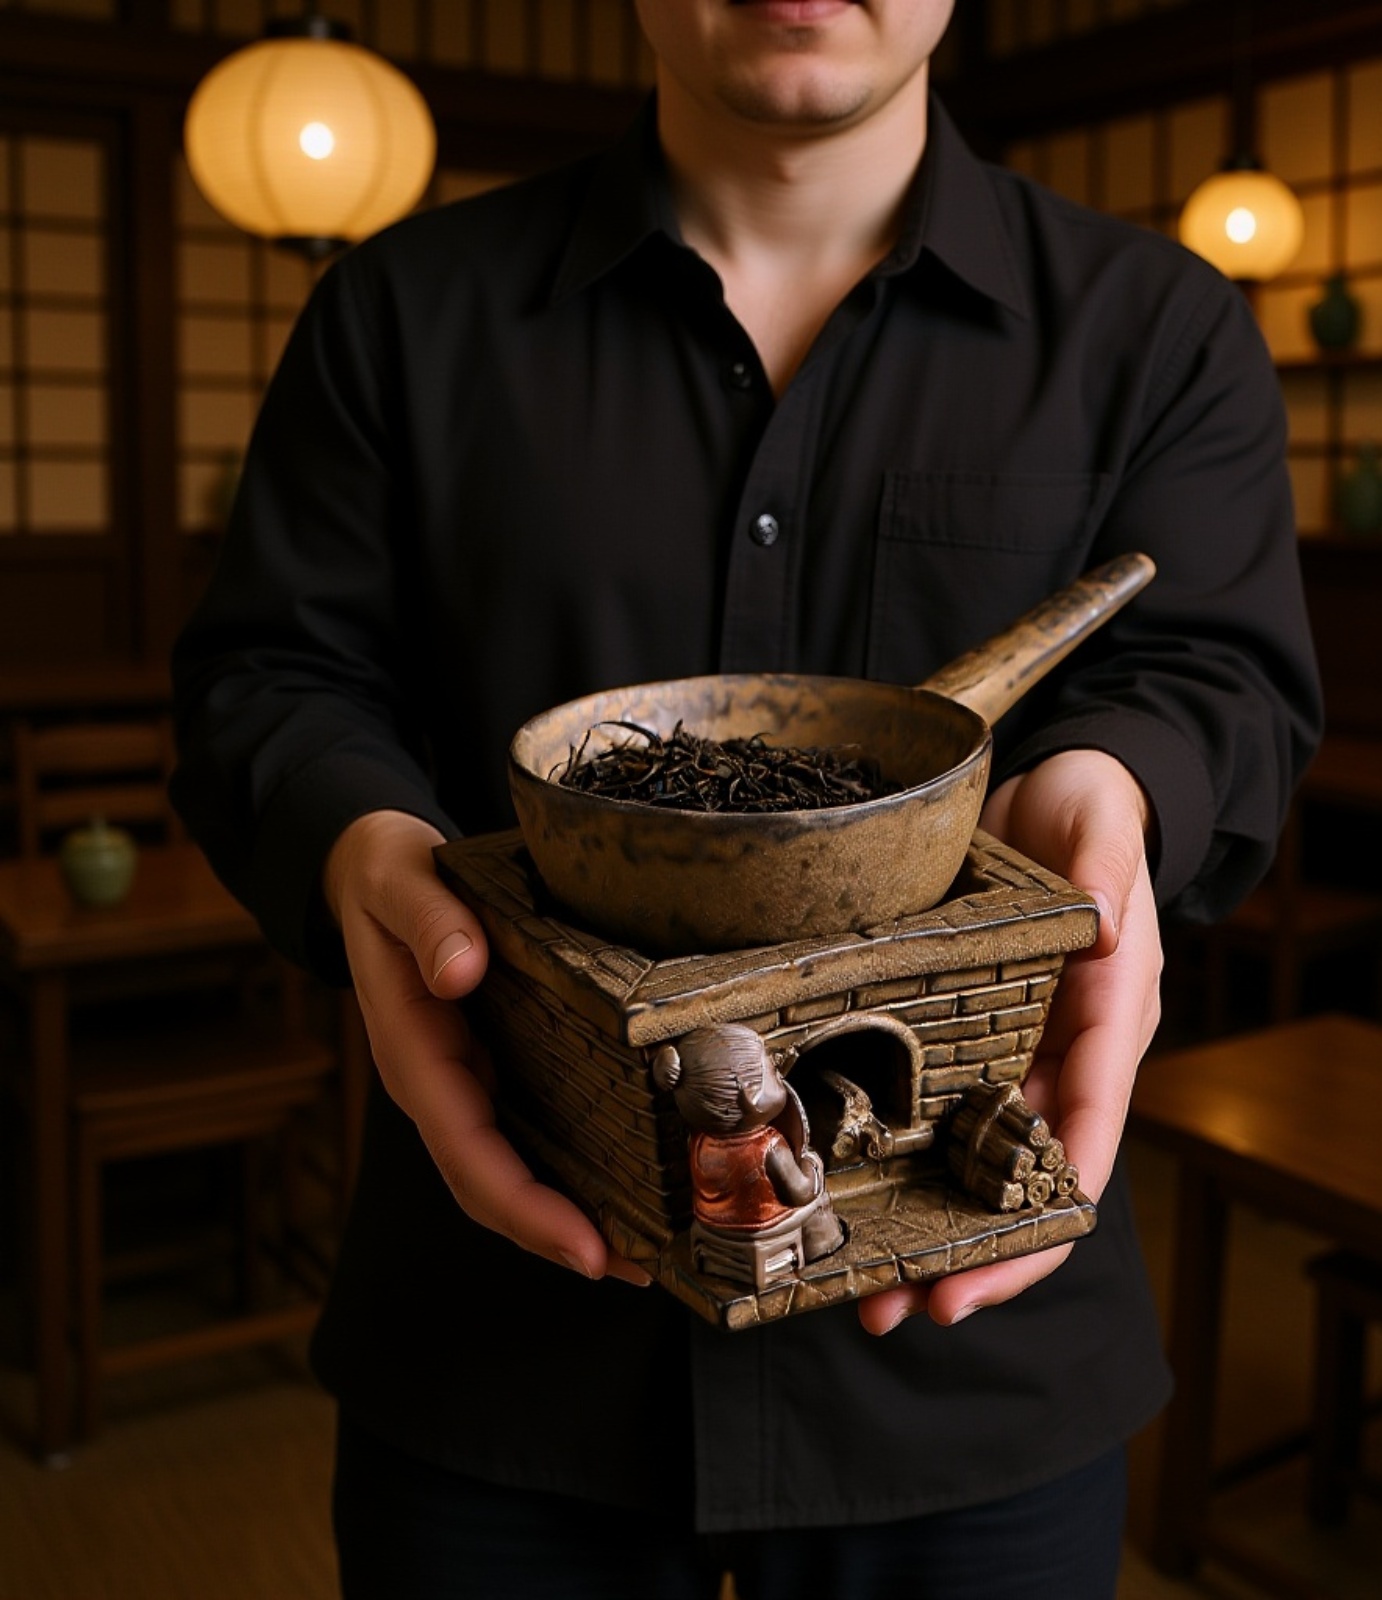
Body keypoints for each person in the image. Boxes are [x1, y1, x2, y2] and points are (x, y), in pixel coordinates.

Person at [170, 2, 1322, 1595]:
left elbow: (1224, 675)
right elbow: (269, 676)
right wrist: (363, 840)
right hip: (504, 1339)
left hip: (970, 1372)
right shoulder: (400, 314)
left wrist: (1110, 781)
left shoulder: (1163, 332)